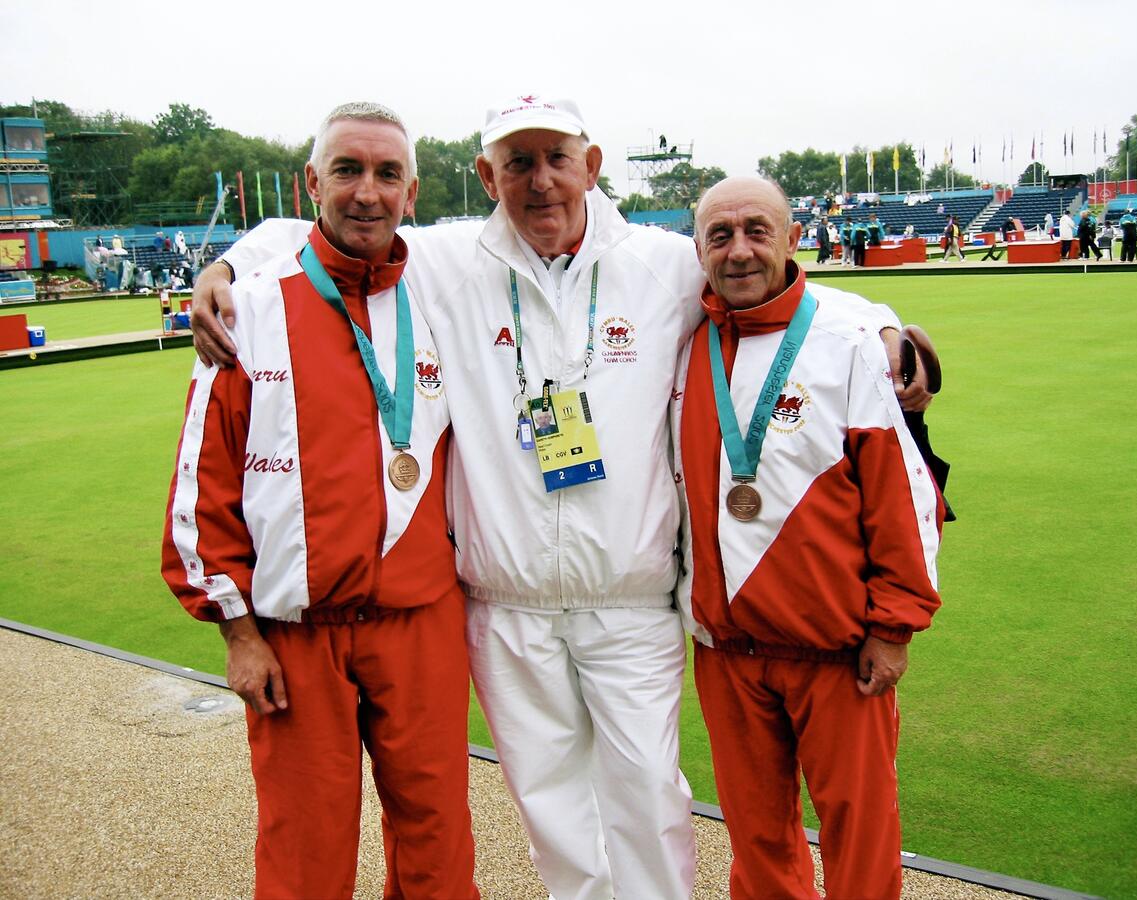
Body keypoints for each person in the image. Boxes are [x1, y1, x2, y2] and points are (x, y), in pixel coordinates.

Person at [188, 94, 941, 900]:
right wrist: (224, 266)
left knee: (650, 801)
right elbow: (330, 228)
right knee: (553, 814)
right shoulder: (448, 262)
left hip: (631, 600)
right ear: (486, 175)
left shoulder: (663, 262)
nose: (540, 181)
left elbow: (771, 277)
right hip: (506, 604)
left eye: (556, 158)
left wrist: (886, 323)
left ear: (592, 164)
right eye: (517, 163)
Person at [161, 102, 477, 899]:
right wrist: (238, 634)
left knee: (437, 837)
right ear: (312, 183)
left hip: (421, 624)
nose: (366, 192)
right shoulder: (249, 308)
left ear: (413, 192)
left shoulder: (448, 293)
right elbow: (203, 492)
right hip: (296, 637)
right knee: (304, 850)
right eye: (346, 171)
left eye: (386, 174)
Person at [672, 177, 941, 899]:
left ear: (796, 239)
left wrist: (896, 626)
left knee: (860, 833)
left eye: (757, 230)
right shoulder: (681, 343)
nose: (738, 251)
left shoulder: (849, 342)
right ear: (697, 249)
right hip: (726, 650)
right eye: (718, 236)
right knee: (757, 838)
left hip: (835, 650)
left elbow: (902, 497)